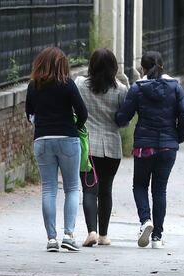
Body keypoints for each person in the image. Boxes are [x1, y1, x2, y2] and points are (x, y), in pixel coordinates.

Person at [115, 51, 184, 249]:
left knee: (139, 185)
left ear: (142, 68)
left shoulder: (138, 88)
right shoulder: (175, 87)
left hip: (144, 146)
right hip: (168, 147)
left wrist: (116, 119)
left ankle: (145, 221)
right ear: (163, 66)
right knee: (160, 189)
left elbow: (124, 116)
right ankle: (157, 237)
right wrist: (177, 137)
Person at [26, 47, 88, 252]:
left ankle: (51, 239)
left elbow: (29, 114)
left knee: (49, 189)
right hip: (68, 138)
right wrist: (76, 126)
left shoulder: (34, 86)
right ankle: (68, 235)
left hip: (42, 139)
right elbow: (82, 112)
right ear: (62, 64)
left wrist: (41, 124)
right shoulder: (68, 85)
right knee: (71, 188)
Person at [74, 48, 127, 247]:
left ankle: (91, 232)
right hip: (112, 148)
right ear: (114, 67)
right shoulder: (121, 90)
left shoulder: (80, 84)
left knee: (89, 190)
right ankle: (104, 235)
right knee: (106, 190)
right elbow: (123, 121)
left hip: (88, 147)